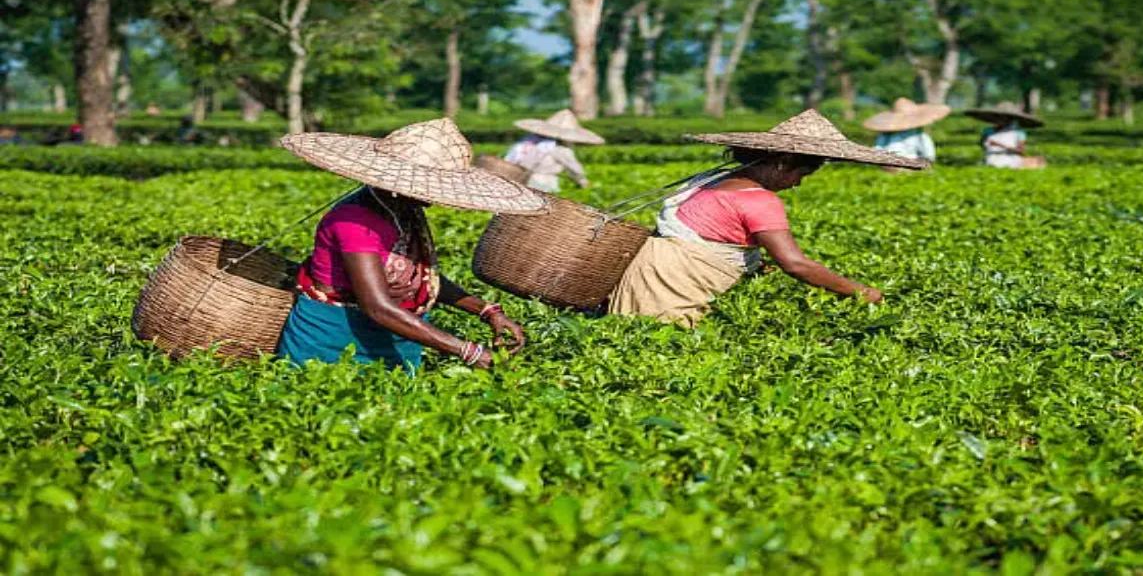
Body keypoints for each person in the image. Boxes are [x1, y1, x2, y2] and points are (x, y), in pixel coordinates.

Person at [276, 118, 550, 373]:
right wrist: (467, 350)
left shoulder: (402, 210)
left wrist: (487, 310)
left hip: (398, 337)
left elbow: (420, 276)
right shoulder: (355, 221)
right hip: (334, 344)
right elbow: (378, 306)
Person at [608, 110, 929, 327]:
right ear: (782, 162)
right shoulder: (760, 200)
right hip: (670, 290)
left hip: (647, 277)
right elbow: (796, 265)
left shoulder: (715, 180)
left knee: (635, 335)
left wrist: (755, 264)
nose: (799, 182)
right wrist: (864, 292)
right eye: (801, 172)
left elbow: (710, 237)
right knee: (664, 343)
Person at [505, 109, 604, 193]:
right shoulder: (559, 149)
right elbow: (574, 169)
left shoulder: (532, 142)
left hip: (522, 179)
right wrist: (583, 182)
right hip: (544, 183)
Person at [863, 97, 950, 163]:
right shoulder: (886, 134)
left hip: (911, 164)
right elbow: (877, 149)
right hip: (889, 163)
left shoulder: (919, 135)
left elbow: (928, 155)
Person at [965, 102, 1047, 169]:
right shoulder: (987, 131)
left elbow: (1021, 151)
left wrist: (1000, 145)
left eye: (1002, 118)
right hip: (990, 160)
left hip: (1011, 161)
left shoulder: (1018, 133)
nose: (998, 120)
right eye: (996, 117)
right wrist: (984, 143)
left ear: (1010, 119)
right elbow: (982, 145)